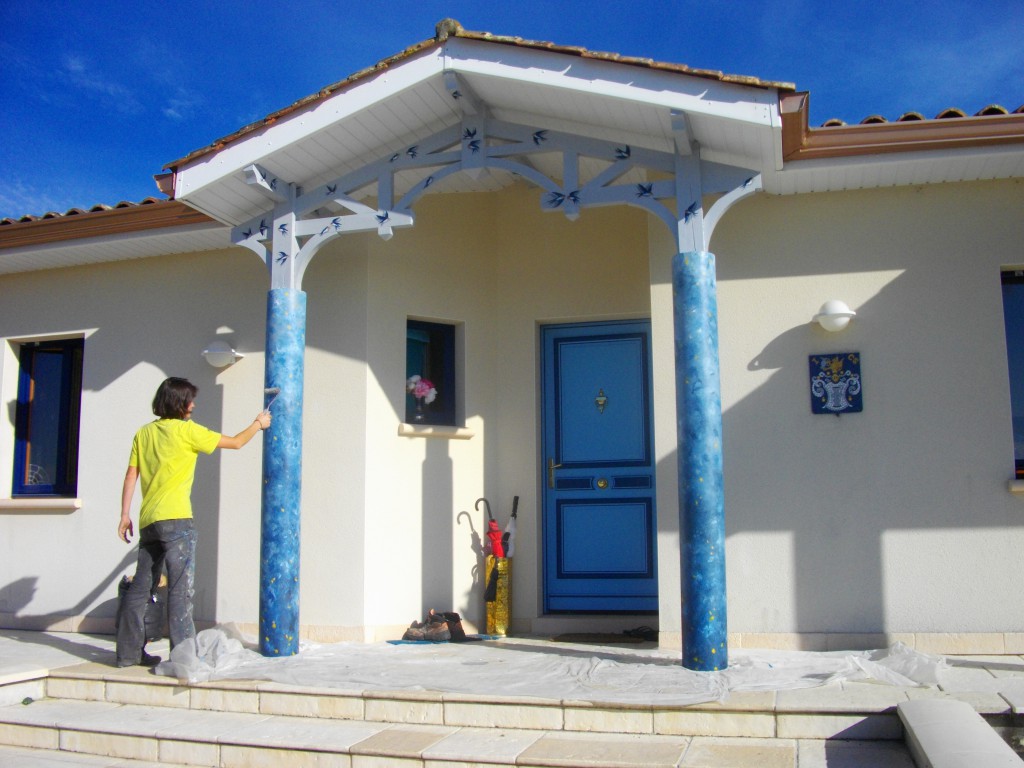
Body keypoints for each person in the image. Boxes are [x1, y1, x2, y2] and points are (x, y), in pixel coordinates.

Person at [115, 377, 271, 667]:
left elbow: (130, 476)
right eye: (190, 400)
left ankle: (127, 655)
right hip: (176, 520)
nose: (194, 405)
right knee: (179, 590)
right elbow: (236, 442)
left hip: (149, 520)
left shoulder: (143, 434)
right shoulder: (187, 432)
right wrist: (258, 424)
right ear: (179, 403)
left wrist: (125, 515)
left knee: (140, 590)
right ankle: (183, 659)